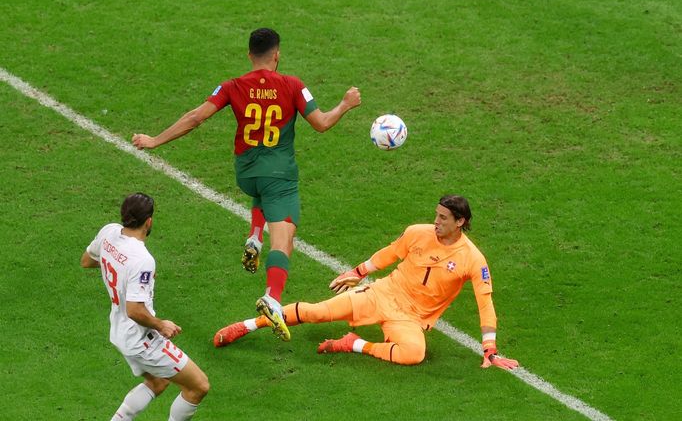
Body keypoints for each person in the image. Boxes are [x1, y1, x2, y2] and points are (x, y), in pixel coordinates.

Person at [132, 28, 361, 342]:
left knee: (261, 191)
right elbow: (321, 123)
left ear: (249, 54)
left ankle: (255, 234)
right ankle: (272, 297)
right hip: (279, 178)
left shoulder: (233, 86)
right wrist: (345, 104)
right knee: (284, 243)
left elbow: (196, 117)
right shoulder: (293, 85)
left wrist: (154, 140)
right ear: (277, 54)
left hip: (246, 174)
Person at [213, 195, 519, 369]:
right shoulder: (418, 232)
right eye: (436, 215)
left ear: (460, 222)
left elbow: (485, 302)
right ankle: (247, 326)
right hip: (382, 293)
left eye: (443, 218)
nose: (436, 222)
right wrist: (359, 272)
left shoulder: (473, 259)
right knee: (316, 312)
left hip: (411, 317)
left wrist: (489, 349)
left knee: (414, 354)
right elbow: (390, 254)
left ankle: (354, 344)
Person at [80, 193, 210, 420]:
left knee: (158, 382)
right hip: (142, 340)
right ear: (148, 221)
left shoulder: (109, 232)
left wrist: (124, 272)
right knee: (198, 386)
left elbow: (87, 260)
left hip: (120, 331)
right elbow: (135, 310)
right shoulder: (142, 259)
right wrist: (161, 325)